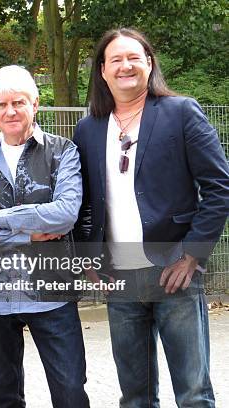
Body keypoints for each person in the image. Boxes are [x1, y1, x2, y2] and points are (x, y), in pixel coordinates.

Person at [73, 28, 229, 407]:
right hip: (119, 278)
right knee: (135, 396)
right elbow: (83, 201)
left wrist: (192, 254)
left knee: (193, 394)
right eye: (115, 60)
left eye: (133, 57)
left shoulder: (180, 112)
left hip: (174, 270)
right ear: (102, 71)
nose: (125, 65)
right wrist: (88, 257)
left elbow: (219, 186)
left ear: (149, 63)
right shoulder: (89, 128)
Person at [0, 65, 90, 408]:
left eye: (19, 102)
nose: (10, 111)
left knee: (71, 392)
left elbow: (64, 215)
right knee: (3, 398)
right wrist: (29, 235)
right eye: (1, 104)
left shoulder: (63, 152)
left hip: (52, 292)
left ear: (36, 104)